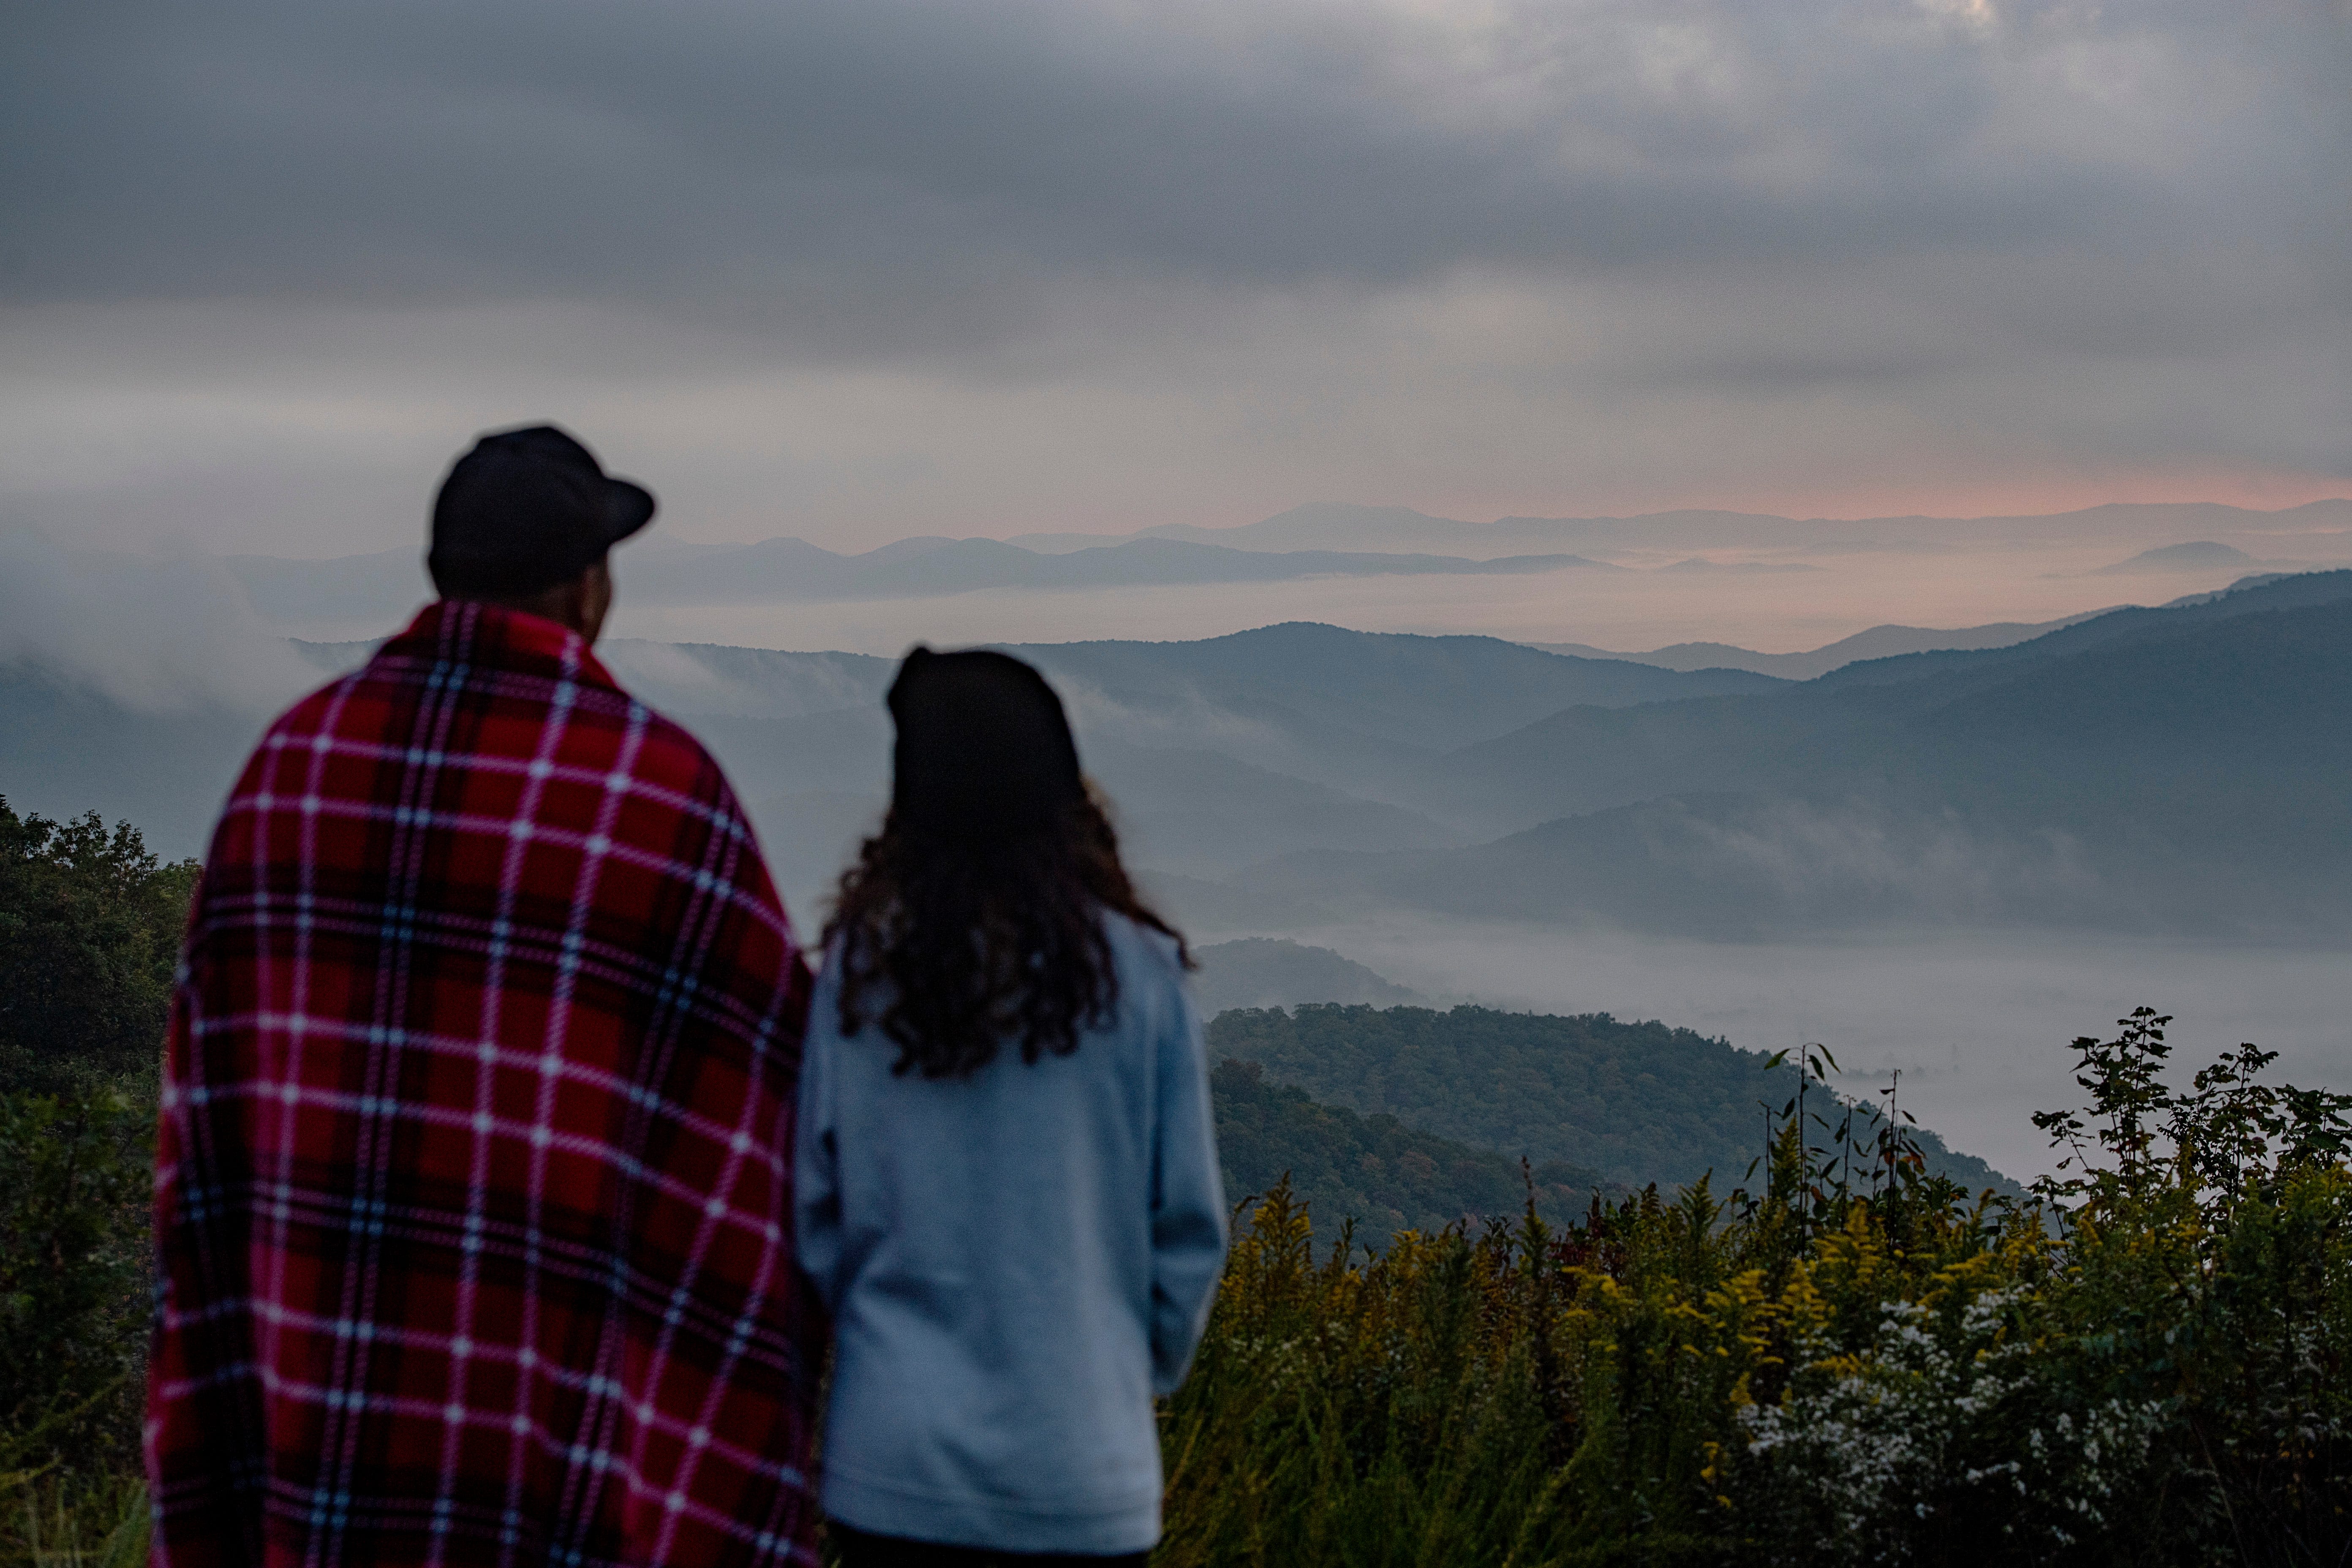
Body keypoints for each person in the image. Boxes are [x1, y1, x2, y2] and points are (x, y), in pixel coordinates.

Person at [147, 426, 825, 1568]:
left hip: (320, 1437)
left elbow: (207, 1121)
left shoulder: (289, 771)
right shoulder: (657, 791)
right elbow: (772, 1108)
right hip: (558, 1452)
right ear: (584, 587)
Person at [794, 650, 1227, 1567]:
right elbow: (1188, 1229)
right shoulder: (1141, 977)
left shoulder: (857, 976)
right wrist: (1115, 1372)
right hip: (1081, 1469)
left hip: (892, 1461)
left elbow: (814, 1221)